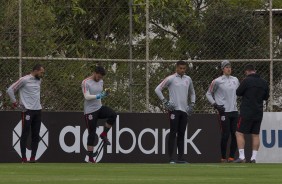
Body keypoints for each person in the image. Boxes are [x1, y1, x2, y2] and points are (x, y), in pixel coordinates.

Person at [155, 60, 196, 164]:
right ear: (176, 68)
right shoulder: (171, 78)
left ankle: (181, 158)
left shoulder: (188, 79)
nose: (182, 70)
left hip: (184, 110)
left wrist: (192, 104)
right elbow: (157, 89)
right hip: (174, 110)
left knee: (182, 134)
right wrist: (165, 102)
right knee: (173, 132)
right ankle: (171, 158)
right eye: (180, 68)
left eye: (184, 68)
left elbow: (192, 93)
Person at [7, 64, 45, 163]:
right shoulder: (24, 79)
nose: (42, 74)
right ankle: (24, 158)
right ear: (36, 71)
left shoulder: (39, 80)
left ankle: (33, 158)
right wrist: (15, 102)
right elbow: (10, 90)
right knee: (25, 133)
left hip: (38, 110)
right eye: (41, 72)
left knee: (36, 134)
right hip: (27, 110)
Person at [234, 64, 269, 163]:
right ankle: (253, 158)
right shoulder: (264, 82)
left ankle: (242, 157)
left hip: (246, 111)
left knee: (239, 132)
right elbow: (266, 97)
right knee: (255, 134)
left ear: (247, 71)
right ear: (255, 70)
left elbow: (238, 92)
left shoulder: (246, 81)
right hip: (258, 111)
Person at [206, 60, 239, 163]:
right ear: (222, 69)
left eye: (230, 67)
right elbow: (208, 94)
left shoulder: (235, 80)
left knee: (235, 134)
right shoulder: (217, 81)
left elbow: (238, 92)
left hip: (234, 111)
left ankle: (231, 157)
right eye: (226, 67)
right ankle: (223, 157)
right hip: (224, 111)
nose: (228, 68)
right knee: (226, 134)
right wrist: (215, 105)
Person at [82, 66, 117, 163]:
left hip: (99, 108)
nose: (100, 79)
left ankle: (104, 133)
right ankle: (90, 158)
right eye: (98, 76)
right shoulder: (86, 82)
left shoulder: (101, 81)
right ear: (94, 73)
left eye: (101, 77)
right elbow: (87, 96)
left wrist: (104, 94)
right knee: (92, 133)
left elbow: (100, 93)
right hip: (90, 111)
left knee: (113, 115)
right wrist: (99, 95)